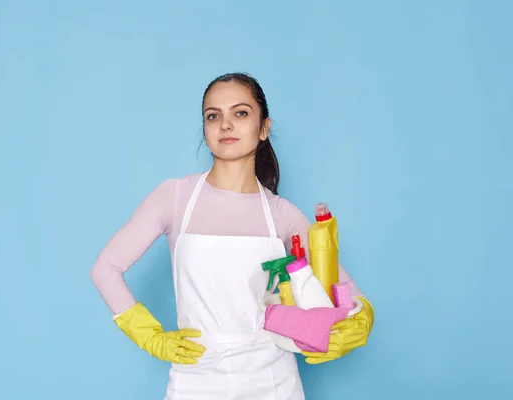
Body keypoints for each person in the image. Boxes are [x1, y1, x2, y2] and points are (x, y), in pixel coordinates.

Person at [90, 72, 375, 399]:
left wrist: (362, 317)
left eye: (240, 113)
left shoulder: (282, 215)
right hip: (195, 377)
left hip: (273, 380)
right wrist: (151, 337)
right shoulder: (174, 197)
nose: (226, 125)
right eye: (214, 116)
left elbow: (344, 286)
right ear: (206, 129)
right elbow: (106, 268)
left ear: (263, 128)